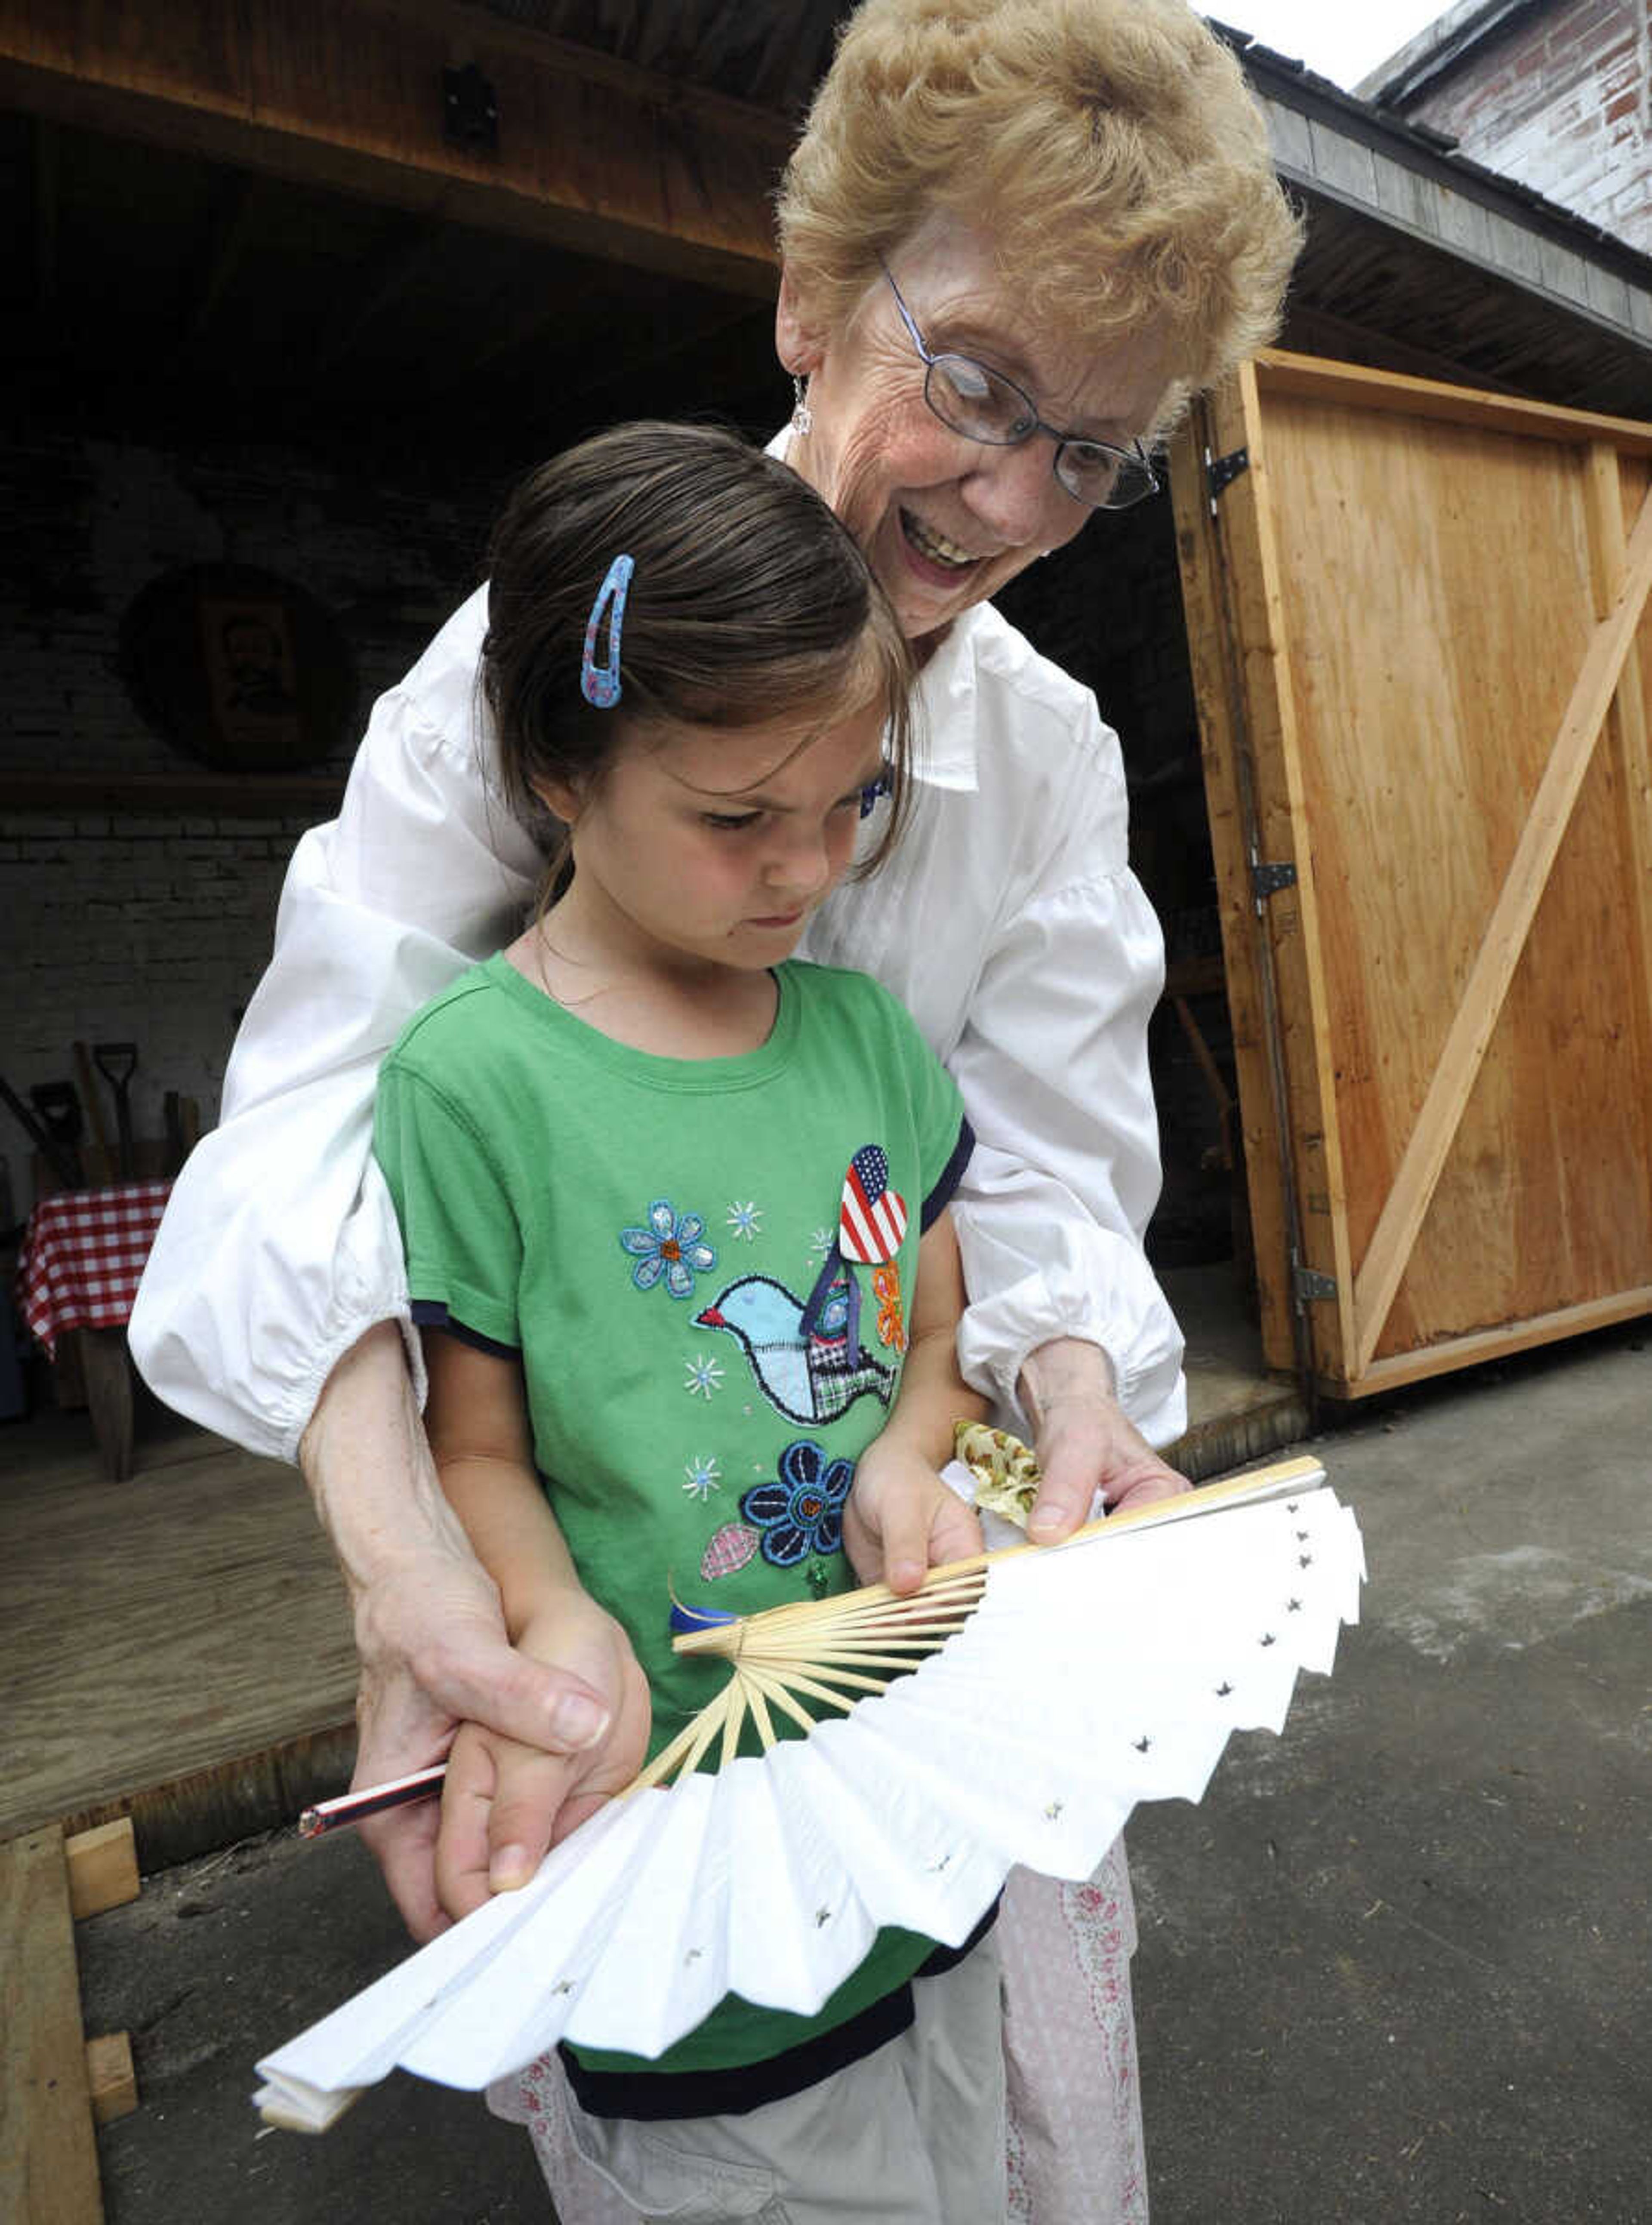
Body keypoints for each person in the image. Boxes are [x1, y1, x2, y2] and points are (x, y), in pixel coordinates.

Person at [131, 0, 1300, 2215]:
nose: (1011, 497)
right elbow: (306, 1144)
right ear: (808, 299)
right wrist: (418, 1577)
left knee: (992, 2087)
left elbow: (1040, 1162)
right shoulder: (562, 647)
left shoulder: (1045, 758)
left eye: (1094, 450)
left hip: (903, 1557)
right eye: (972, 383)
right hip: (626, 1599)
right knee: (729, 2113)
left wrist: (1065, 1394)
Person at [373, 419, 1008, 2216]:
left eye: (854, 805)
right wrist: (554, 1612)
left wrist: (905, 1450)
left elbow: (929, 1346)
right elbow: (472, 1443)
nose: (805, 871)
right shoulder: (474, 1080)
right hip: (667, 1820)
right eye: (738, 819)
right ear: (561, 768)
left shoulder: (869, 1043)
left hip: (907, 1803)